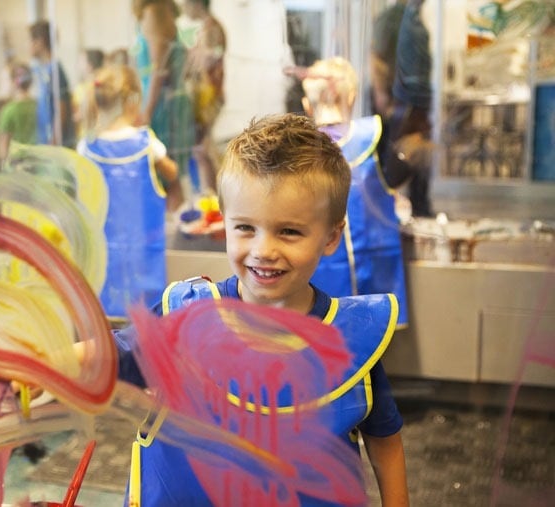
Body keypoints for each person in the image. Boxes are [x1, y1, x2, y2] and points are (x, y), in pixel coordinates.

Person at [113, 113, 409, 506]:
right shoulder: (186, 315)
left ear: (331, 236)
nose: (264, 250)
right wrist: (36, 362)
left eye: (289, 231)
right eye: (245, 228)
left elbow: (384, 440)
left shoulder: (354, 339)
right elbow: (111, 356)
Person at [299, 56, 409, 328]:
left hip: (311, 290)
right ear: (351, 98)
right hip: (372, 287)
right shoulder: (375, 139)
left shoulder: (297, 151)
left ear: (306, 105)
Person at [77, 64, 181, 319]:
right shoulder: (147, 143)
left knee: (107, 334)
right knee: (143, 335)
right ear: (133, 100)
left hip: (103, 267)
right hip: (144, 264)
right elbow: (173, 173)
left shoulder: (86, 148)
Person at [371, 0, 435, 217]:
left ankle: (419, 206)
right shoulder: (392, 17)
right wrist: (381, 93)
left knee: (417, 153)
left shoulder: (413, 16)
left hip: (414, 98)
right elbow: (377, 55)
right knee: (394, 158)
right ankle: (383, 209)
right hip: (397, 98)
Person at [131, 0, 195, 199]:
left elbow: (159, 70)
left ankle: (171, 225)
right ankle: (174, 223)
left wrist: (147, 111)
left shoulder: (154, 12)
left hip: (162, 106)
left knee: (166, 174)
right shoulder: (164, 12)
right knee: (170, 174)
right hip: (167, 101)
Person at [179, 0, 226, 193]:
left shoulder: (211, 28)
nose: (184, 9)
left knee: (204, 148)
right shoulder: (207, 28)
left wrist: (191, 58)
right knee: (202, 148)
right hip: (205, 96)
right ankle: (213, 193)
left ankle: (217, 193)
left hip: (208, 97)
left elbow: (209, 60)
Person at [29, 20, 75, 148]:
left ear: (40, 42)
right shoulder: (43, 70)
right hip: (45, 142)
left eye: (31, 41)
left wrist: (53, 143)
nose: (28, 46)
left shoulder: (55, 71)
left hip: (56, 145)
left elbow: (61, 110)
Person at [0, 61, 37, 160]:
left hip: (17, 165)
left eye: (4, 81)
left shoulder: (9, 111)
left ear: (14, 82)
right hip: (37, 161)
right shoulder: (38, 106)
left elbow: (4, 144)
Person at [71, 48, 105, 140]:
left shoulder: (81, 89)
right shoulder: (105, 85)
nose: (78, 64)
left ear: (89, 66)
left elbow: (77, 115)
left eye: (81, 61)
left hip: (86, 135)